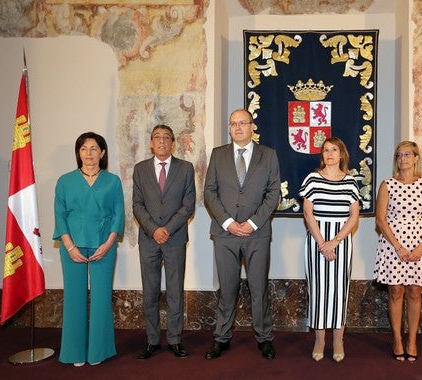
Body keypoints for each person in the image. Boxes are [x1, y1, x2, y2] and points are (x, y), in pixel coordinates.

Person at [203, 109, 281, 360]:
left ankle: (265, 338)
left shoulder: (268, 155)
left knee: (259, 288)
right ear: (229, 128)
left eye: (242, 123)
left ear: (252, 126)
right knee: (227, 288)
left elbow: (273, 193)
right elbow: (209, 192)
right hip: (225, 234)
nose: (237, 128)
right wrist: (227, 222)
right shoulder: (218, 155)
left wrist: (252, 223)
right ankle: (222, 338)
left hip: (256, 234)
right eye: (233, 124)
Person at [53, 132, 124, 367]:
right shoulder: (65, 181)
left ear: (102, 153)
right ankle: (75, 353)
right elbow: (60, 216)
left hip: (104, 244)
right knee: (74, 297)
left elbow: (118, 215)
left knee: (102, 298)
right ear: (78, 153)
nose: (89, 153)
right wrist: (69, 246)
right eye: (84, 148)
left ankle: (98, 352)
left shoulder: (112, 181)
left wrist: (108, 244)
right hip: (71, 245)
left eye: (94, 148)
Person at [133, 125, 196, 360]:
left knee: (174, 291)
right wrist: (153, 229)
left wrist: (167, 229)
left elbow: (188, 205)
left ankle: (175, 340)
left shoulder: (185, 168)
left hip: (175, 238)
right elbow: (137, 204)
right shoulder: (140, 170)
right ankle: (151, 341)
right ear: (151, 142)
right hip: (148, 240)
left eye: (166, 138)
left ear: (173, 143)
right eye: (157, 138)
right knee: (149, 292)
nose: (161, 141)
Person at [299, 137, 361, 363]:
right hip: (317, 240)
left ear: (342, 154)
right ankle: (319, 340)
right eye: (326, 150)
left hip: (341, 241)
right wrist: (322, 242)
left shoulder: (351, 182)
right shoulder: (313, 179)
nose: (330, 153)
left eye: (334, 150)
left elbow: (354, 216)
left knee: (338, 291)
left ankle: (338, 340)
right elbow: (308, 213)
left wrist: (334, 241)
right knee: (318, 290)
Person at [374, 141, 422, 362]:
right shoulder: (387, 184)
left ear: (416, 158)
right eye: (399, 155)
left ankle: (412, 340)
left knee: (414, 292)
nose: (403, 159)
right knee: (396, 291)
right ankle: (397, 339)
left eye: (407, 154)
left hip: (418, 245)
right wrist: (398, 247)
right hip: (393, 245)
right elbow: (380, 219)